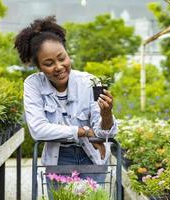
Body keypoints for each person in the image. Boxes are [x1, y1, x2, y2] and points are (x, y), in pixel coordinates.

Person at [14, 16, 118, 184]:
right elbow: (38, 130)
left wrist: (107, 114)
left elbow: (103, 134)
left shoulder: (90, 82)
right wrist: (82, 131)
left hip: (93, 155)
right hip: (58, 158)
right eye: (49, 63)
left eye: (62, 58)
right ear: (39, 67)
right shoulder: (33, 84)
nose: (59, 67)